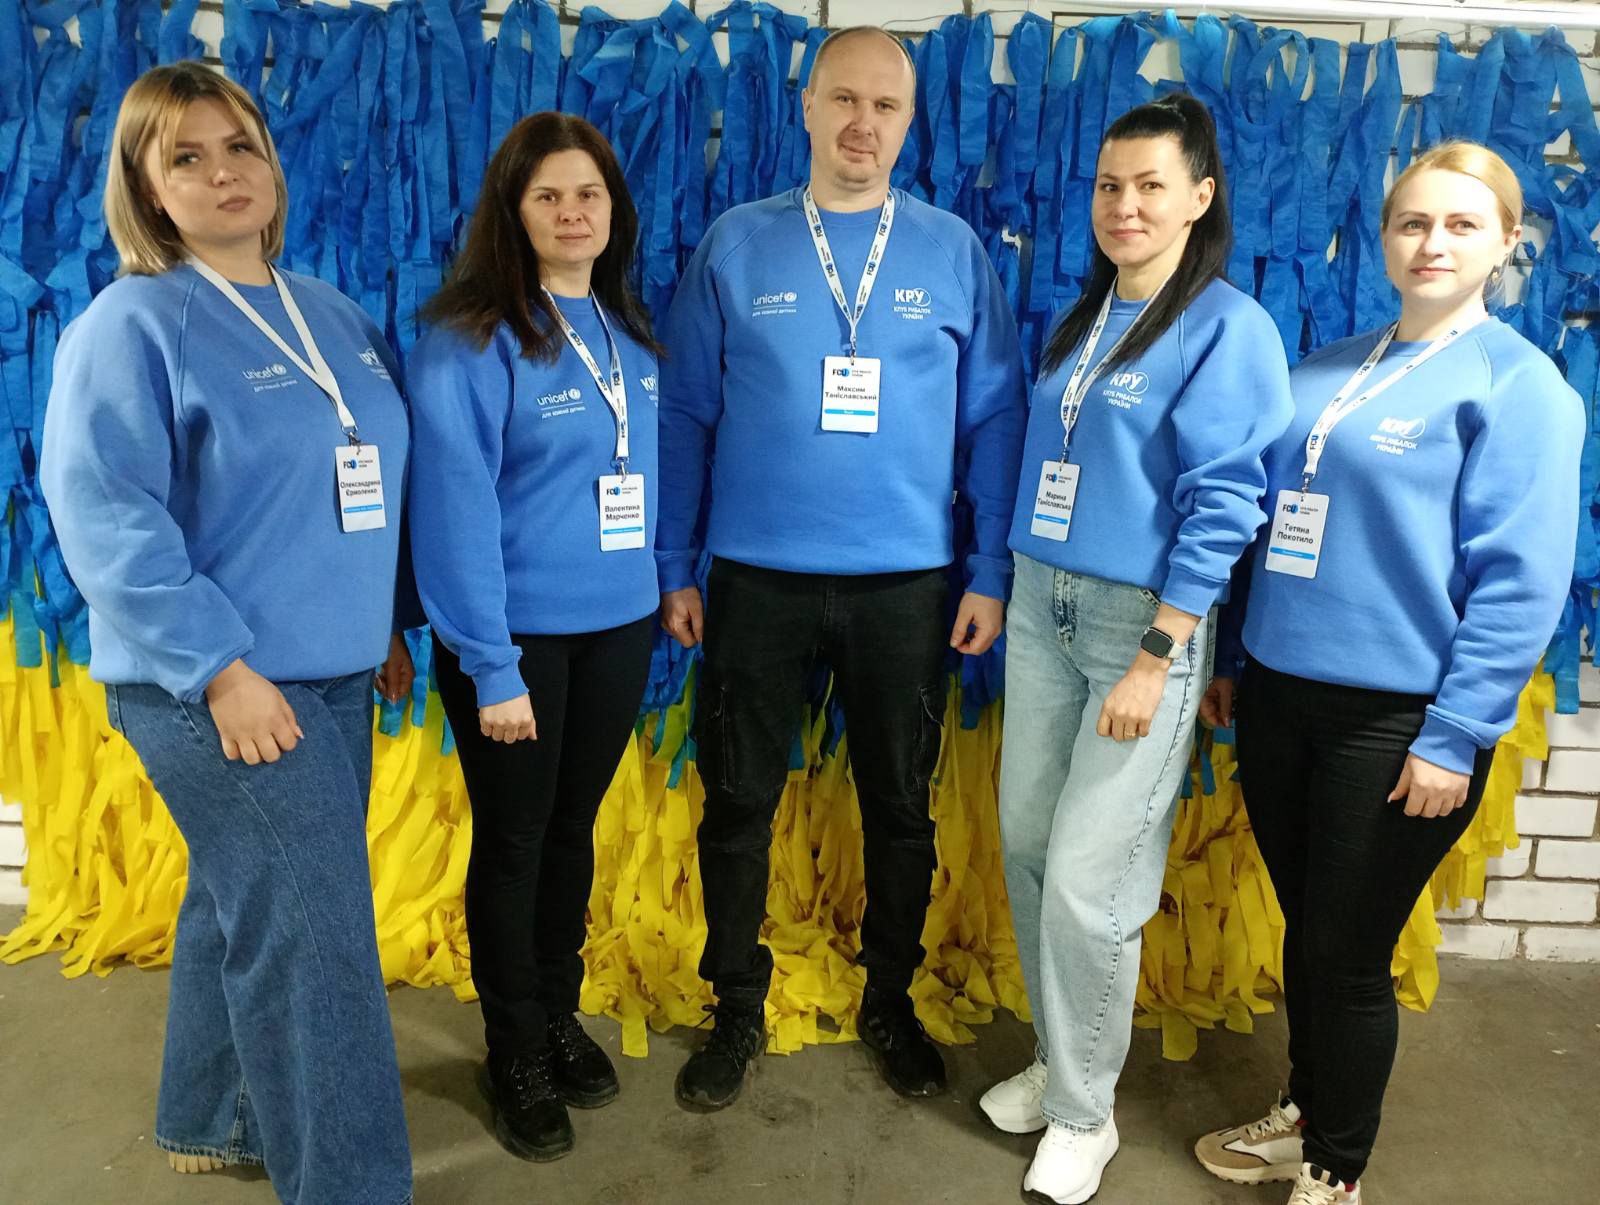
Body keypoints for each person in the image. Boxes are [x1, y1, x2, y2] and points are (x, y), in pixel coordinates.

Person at [40, 62, 415, 1204]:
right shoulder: (132, 322)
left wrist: (386, 624)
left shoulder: (330, 312)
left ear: (271, 161)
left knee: (244, 898)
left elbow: (358, 486)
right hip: (223, 686)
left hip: (336, 673)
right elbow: (106, 514)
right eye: (187, 159)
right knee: (317, 944)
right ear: (149, 189)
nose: (222, 173)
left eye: (239, 146)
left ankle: (211, 1113)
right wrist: (219, 670)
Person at [1192, 140, 1583, 1205]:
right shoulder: (1328, 366)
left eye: (1461, 224)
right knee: (1310, 931)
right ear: (1383, 237)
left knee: (1351, 950)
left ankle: (1336, 1168)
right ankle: (1304, 1112)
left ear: (1507, 242)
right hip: (1280, 697)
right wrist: (1234, 656)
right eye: (1413, 222)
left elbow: (1519, 582)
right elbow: (1266, 525)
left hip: (1400, 720)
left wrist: (1454, 734)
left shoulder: (1522, 387)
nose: (1432, 243)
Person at [656, 25, 1027, 1109]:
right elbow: (683, 412)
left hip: (908, 586)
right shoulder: (737, 242)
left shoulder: (953, 250)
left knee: (900, 808)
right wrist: (675, 561)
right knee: (738, 801)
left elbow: (997, 418)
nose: (863, 124)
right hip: (754, 581)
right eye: (845, 100)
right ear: (807, 106)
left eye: (886, 106)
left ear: (910, 122)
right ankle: (735, 1005)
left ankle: (889, 1000)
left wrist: (990, 568)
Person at [978, 95, 1295, 1205]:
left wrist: (1160, 652)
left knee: (1089, 880)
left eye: (1151, 185)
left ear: (1199, 196)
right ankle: (1057, 1058)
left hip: (1139, 624)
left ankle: (1085, 1113)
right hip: (1041, 605)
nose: (1126, 205)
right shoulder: (1086, 316)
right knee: (1027, 845)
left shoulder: (1226, 328)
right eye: (1111, 185)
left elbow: (1227, 504)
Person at [406, 113, 661, 1163]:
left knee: (570, 831)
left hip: (618, 631)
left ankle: (558, 1012)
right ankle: (512, 1048)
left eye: (588, 194)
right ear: (511, 212)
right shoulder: (470, 340)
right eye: (547, 196)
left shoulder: (625, 328)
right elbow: (453, 513)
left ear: (613, 209)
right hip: (512, 648)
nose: (571, 213)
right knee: (513, 844)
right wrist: (490, 663)